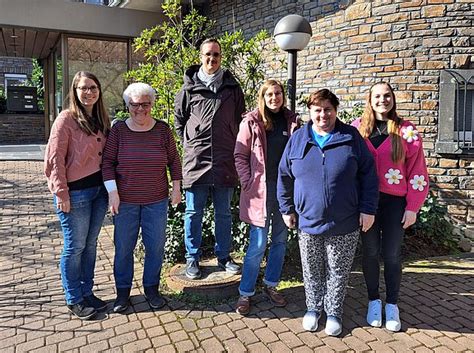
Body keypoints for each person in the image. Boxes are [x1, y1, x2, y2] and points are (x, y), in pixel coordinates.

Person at [277, 89, 378, 336]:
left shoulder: (351, 136)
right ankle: (313, 309)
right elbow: (283, 175)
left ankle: (333, 312)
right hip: (308, 220)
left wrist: (367, 209)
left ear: (336, 110)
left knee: (338, 270)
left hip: (344, 220)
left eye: (328, 109)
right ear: (310, 112)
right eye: (317, 110)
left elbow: (369, 175)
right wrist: (286, 208)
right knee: (311, 268)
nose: (323, 115)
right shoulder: (298, 138)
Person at [352, 82, 429, 332]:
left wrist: (413, 207)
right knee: (371, 252)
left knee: (393, 254)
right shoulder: (357, 129)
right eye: (377, 96)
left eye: (387, 96)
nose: (382, 100)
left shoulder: (407, 131)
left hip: (396, 203)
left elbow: (418, 170)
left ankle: (392, 304)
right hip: (367, 204)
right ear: (369, 99)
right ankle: (374, 300)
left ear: (393, 99)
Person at [102, 82, 182, 313]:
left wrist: (176, 188)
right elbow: (107, 163)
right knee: (124, 249)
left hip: (156, 201)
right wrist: (113, 192)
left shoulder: (162, 130)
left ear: (152, 105)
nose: (140, 109)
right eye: (134, 105)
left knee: (155, 248)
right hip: (125, 202)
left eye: (145, 104)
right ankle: (122, 294)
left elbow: (174, 161)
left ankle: (151, 289)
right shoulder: (118, 130)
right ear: (127, 106)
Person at [174, 38, 245, 279]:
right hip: (197, 160)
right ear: (200, 56)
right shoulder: (188, 88)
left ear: (221, 57)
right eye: (207, 54)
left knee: (223, 212)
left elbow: (238, 119)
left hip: (225, 159)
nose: (211, 59)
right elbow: (179, 120)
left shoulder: (233, 88)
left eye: (216, 55)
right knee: (193, 212)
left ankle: (224, 256)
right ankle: (192, 259)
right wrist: (192, 142)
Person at [44, 71, 110, 320]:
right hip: (75, 193)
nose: (89, 92)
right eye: (83, 88)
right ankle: (73, 298)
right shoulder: (66, 119)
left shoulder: (103, 119)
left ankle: (87, 292)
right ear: (74, 91)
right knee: (75, 247)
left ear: (99, 90)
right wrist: (61, 193)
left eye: (93, 87)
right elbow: (54, 159)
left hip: (99, 193)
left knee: (90, 246)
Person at [234, 80, 299, 315]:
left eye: (278, 93)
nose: (275, 98)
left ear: (283, 96)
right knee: (258, 243)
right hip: (259, 191)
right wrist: (247, 181)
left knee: (280, 241)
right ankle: (246, 292)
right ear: (263, 96)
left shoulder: (292, 121)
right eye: (270, 94)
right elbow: (240, 155)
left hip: (285, 190)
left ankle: (271, 285)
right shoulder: (251, 121)